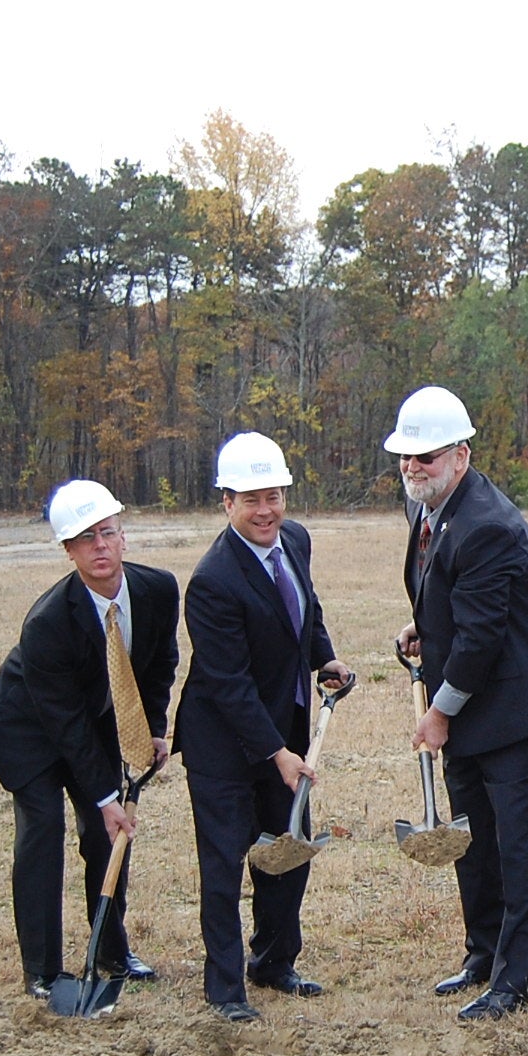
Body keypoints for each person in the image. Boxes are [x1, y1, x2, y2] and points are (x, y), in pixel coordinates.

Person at [389, 386, 528, 1022]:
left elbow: (482, 638)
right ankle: (483, 954)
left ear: (462, 455)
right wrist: (424, 630)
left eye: (429, 456)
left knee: (517, 848)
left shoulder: (488, 524)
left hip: (520, 709)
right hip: (475, 704)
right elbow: (448, 601)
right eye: (406, 457)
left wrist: (438, 711)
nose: (415, 467)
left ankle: (517, 980)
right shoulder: (428, 510)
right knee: (474, 840)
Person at [175, 434, 354, 1023]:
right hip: (223, 743)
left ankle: (275, 961)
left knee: (288, 849)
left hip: (283, 728)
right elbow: (229, 685)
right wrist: (276, 752)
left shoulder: (294, 540)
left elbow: (306, 607)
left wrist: (324, 656)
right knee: (226, 862)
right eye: (251, 499)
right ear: (226, 503)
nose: (266, 510)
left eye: (273, 495)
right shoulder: (212, 581)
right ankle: (226, 989)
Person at [0, 481, 176, 998]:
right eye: (86, 539)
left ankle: (112, 951)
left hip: (90, 723)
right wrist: (107, 796)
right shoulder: (47, 622)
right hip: (26, 729)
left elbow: (157, 666)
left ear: (123, 536)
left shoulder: (158, 590)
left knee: (107, 837)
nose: (100, 546)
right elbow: (62, 722)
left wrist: (153, 729)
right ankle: (42, 971)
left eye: (107, 533)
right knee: (43, 830)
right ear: (69, 550)